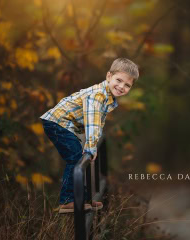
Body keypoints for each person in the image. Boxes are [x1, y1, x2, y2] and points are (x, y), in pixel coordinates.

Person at [40, 58, 139, 214]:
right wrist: (91, 147)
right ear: (108, 76)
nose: (121, 87)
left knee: (81, 157)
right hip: (58, 123)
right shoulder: (98, 95)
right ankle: (67, 201)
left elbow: (98, 123)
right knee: (75, 158)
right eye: (118, 80)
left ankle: (83, 199)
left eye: (127, 85)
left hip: (67, 125)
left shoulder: (107, 97)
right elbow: (92, 123)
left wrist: (91, 146)